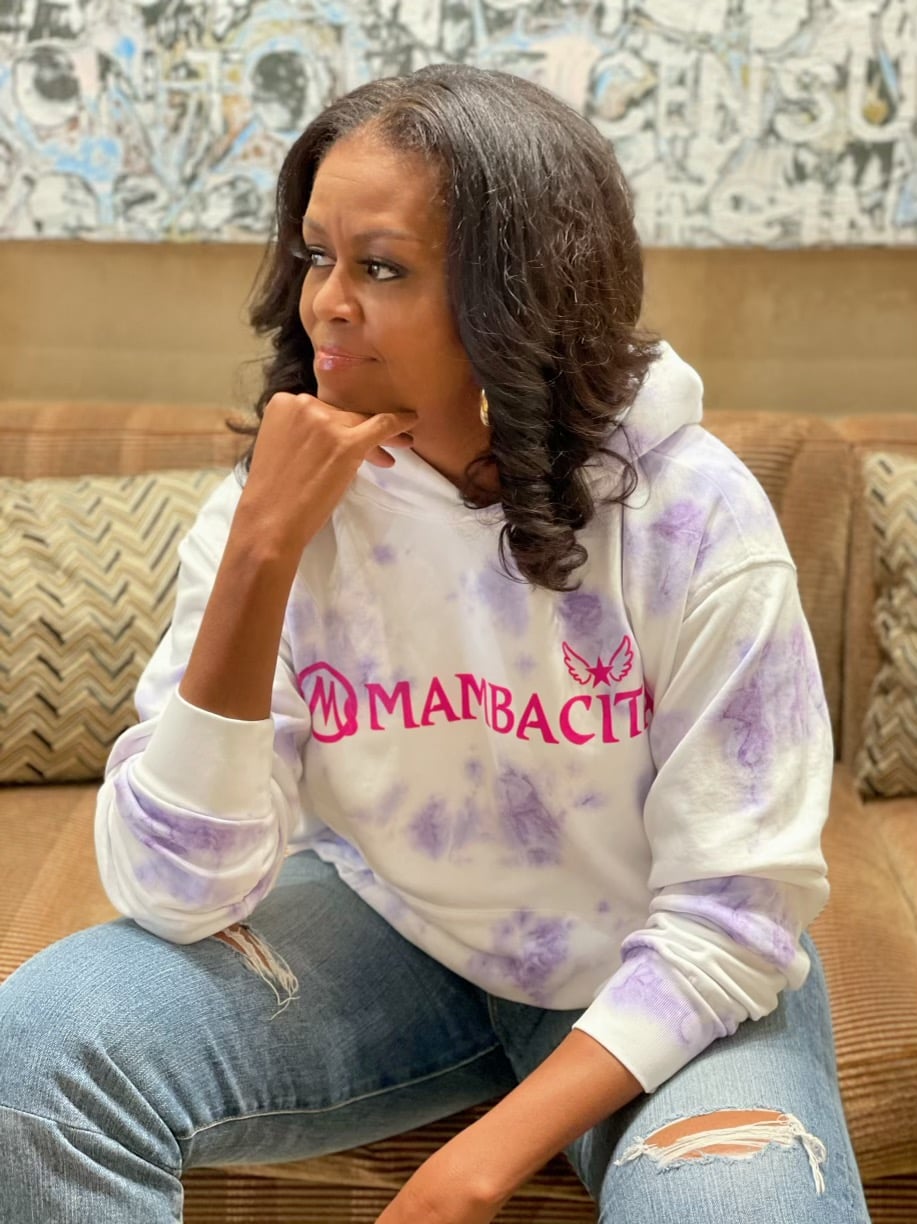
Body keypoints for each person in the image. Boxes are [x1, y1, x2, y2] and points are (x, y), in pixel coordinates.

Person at [0, 63, 871, 1224]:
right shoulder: (275, 506)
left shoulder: (690, 518)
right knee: (33, 1060)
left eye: (381, 267)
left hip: (660, 964)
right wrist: (260, 552)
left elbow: (731, 916)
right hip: (395, 935)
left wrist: (475, 1165)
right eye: (316, 256)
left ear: (518, 292)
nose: (325, 304)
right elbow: (173, 893)